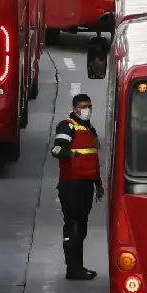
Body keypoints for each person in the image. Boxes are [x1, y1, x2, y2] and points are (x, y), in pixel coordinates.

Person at [50, 93, 105, 280]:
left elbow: (94, 160)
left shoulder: (90, 129)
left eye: (89, 106)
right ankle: (72, 268)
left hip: (86, 185)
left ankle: (78, 267)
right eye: (83, 107)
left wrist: (99, 184)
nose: (87, 110)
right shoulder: (68, 126)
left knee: (81, 227)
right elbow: (57, 149)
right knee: (73, 226)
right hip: (71, 185)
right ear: (75, 108)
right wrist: (71, 155)